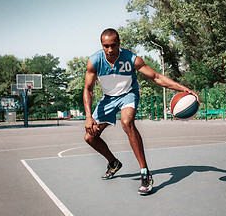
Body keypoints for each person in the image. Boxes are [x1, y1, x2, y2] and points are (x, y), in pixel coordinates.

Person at [83, 28, 199, 195]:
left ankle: (145, 173)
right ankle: (113, 162)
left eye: (113, 45)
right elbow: (88, 89)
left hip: (128, 94)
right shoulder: (94, 61)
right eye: (105, 46)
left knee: (127, 122)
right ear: (102, 45)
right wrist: (88, 117)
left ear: (119, 44)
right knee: (89, 137)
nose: (109, 50)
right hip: (108, 99)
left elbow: (156, 77)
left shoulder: (131, 59)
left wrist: (183, 88)